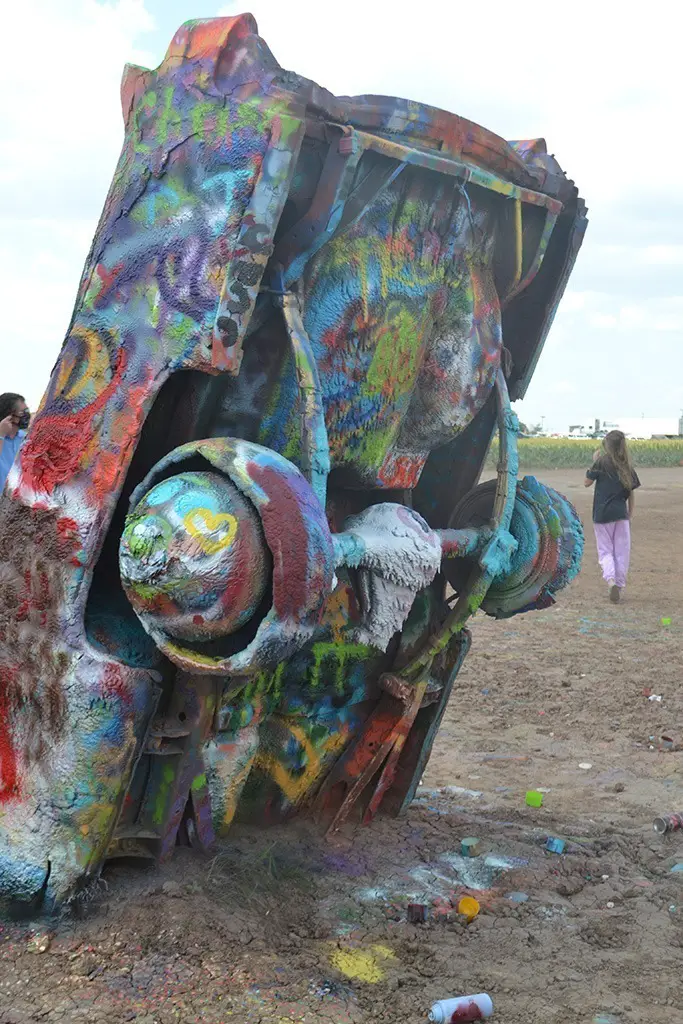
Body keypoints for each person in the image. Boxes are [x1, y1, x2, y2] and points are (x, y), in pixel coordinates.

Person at [584, 429, 640, 604]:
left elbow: (586, 482)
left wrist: (593, 462)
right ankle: (620, 585)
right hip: (621, 514)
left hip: (601, 514)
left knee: (605, 551)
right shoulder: (627, 467)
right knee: (622, 552)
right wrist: (630, 513)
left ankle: (611, 581)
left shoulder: (601, 462)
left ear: (607, 445)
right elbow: (631, 493)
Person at [0, 393, 30, 491]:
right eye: (23, 412)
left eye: (27, 411)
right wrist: (1, 435)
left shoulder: (26, 439)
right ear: (9, 416)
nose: (27, 415)